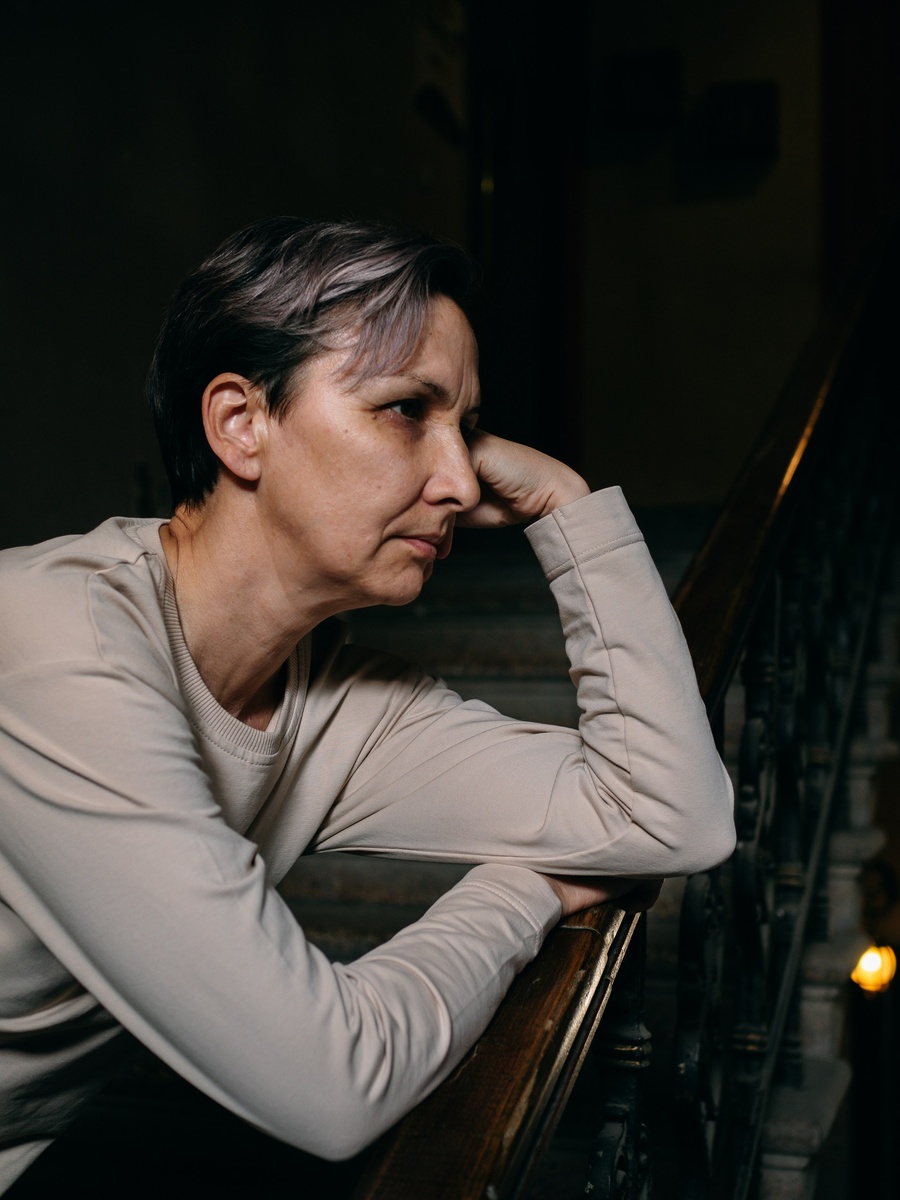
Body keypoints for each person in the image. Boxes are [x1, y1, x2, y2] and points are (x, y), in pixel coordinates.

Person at [0, 218, 735, 1194]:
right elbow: (332, 1084)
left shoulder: (338, 700)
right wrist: (524, 895)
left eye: (467, 429)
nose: (462, 481)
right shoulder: (52, 645)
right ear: (240, 424)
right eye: (405, 410)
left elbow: (671, 814)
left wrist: (567, 507)